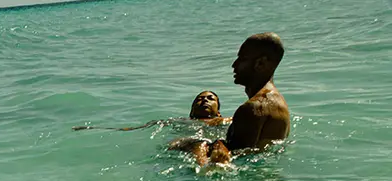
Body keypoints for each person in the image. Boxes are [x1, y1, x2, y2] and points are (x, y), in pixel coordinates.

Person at [169, 33, 290, 164]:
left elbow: (228, 162)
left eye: (242, 59)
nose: (234, 65)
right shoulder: (277, 101)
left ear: (260, 63)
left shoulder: (254, 107)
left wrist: (189, 145)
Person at [73, 90, 231, 132]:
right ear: (190, 112)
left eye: (210, 98)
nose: (204, 100)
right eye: (199, 99)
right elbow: (136, 128)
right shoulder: (178, 121)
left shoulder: (227, 121)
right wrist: (94, 128)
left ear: (218, 112)